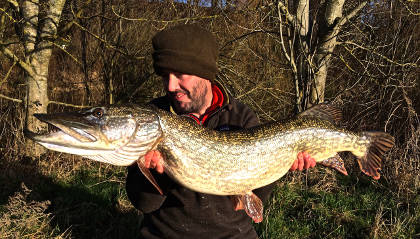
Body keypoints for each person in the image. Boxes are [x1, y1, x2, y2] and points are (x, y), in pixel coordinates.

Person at [125, 24, 316, 239]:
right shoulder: (152, 118)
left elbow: (249, 200)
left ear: (203, 73)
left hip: (232, 234)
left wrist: (281, 162)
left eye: (180, 74)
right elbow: (144, 204)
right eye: (165, 76)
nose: (170, 86)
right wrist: (157, 175)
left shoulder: (241, 117)